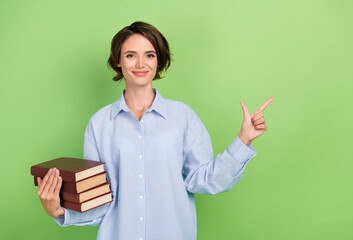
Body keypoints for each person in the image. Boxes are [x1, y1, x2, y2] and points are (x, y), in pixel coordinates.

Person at [36, 21, 274, 240]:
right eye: (131, 55)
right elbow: (99, 199)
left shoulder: (183, 117)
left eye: (149, 55)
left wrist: (243, 140)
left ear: (158, 60)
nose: (140, 64)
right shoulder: (99, 124)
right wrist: (58, 210)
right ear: (118, 61)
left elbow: (203, 180)